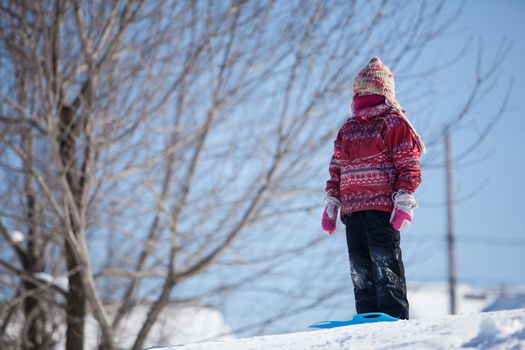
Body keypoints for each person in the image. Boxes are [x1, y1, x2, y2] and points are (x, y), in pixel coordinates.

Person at [321, 57, 426, 320]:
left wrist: (404, 200)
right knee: (359, 264)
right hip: (353, 210)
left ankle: (392, 313)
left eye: (370, 90)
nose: (364, 95)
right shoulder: (348, 129)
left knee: (384, 259)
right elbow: (337, 170)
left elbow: (407, 163)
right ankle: (367, 314)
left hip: (381, 207)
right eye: (360, 91)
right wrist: (332, 204)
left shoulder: (393, 124)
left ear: (384, 93)